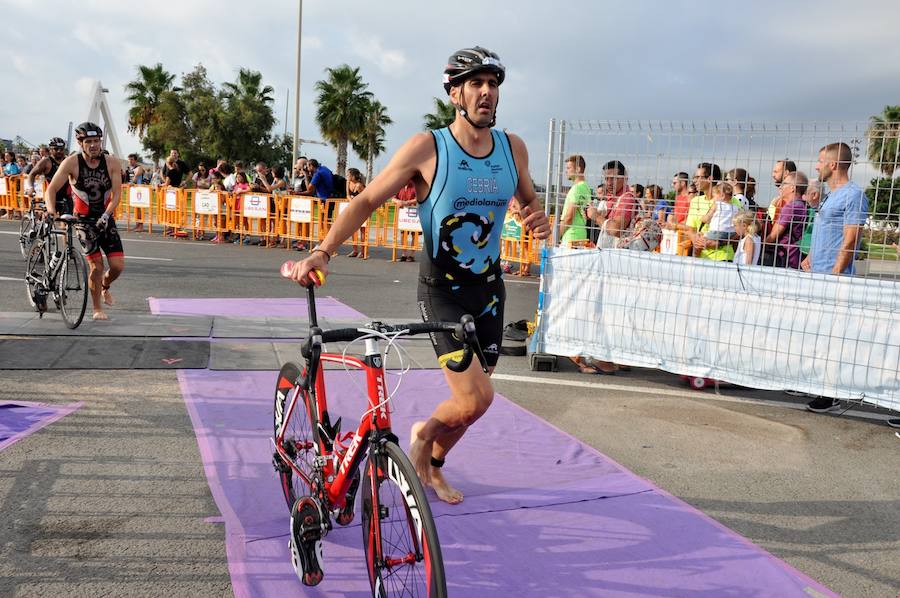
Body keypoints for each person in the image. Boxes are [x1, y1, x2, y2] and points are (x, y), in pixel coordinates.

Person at [288, 46, 551, 505]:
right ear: (455, 94)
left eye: (493, 83)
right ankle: (423, 439)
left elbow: (530, 200)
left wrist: (538, 217)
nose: (487, 92)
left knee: (473, 403)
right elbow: (367, 200)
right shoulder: (429, 147)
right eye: (476, 83)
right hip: (442, 289)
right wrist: (323, 251)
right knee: (474, 400)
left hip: (489, 291)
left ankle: (431, 460)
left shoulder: (514, 149)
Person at [803, 143, 869, 414]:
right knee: (819, 336)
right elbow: (827, 231)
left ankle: (830, 394)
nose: (816, 167)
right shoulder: (830, 195)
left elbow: (851, 239)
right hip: (818, 274)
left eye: (820, 162)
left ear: (833, 165)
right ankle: (822, 388)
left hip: (834, 279)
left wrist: (836, 274)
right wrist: (810, 256)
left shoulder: (853, 195)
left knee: (833, 338)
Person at [44, 122, 124, 321]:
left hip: (105, 218)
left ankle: (105, 286)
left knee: (117, 266)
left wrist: (106, 215)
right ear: (81, 143)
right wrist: (52, 211)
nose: (94, 145)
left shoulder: (112, 162)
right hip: (82, 221)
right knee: (96, 266)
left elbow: (116, 195)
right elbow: (51, 190)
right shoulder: (71, 163)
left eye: (96, 141)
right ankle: (97, 308)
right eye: (88, 141)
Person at [586, 160, 637, 247]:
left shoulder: (627, 199)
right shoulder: (612, 199)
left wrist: (596, 216)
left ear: (625, 178)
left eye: (613, 178)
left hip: (619, 255)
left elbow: (615, 230)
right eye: (606, 179)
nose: (609, 183)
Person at [762, 171, 808, 268]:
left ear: (793, 188)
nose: (780, 187)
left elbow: (774, 235)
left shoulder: (791, 207)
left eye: (784, 184)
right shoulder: (805, 206)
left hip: (786, 258)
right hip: (799, 256)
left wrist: (760, 245)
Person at [27, 137, 70, 214]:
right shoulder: (46, 161)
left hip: (66, 196)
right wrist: (31, 188)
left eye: (61, 149)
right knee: (49, 217)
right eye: (56, 149)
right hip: (51, 195)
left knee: (68, 220)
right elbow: (32, 174)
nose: (59, 151)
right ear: (50, 149)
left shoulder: (68, 161)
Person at [557, 154, 591, 246]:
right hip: (581, 233)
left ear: (578, 169)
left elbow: (569, 217)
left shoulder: (576, 189)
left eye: (568, 168)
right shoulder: (586, 187)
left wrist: (556, 236)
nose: (566, 171)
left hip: (571, 235)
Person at [345, 167, 366, 258]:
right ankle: (355, 250)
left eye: (348, 175)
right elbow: (347, 195)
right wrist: (351, 202)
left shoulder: (359, 185)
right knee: (353, 229)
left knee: (362, 230)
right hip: (353, 207)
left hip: (362, 208)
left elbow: (365, 197)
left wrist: (355, 202)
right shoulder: (348, 182)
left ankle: (363, 251)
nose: (347, 176)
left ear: (353, 176)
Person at [126, 153, 147, 231]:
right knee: (136, 208)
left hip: (140, 190)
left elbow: (137, 175)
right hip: (134, 190)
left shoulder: (139, 167)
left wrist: (132, 182)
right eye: (129, 160)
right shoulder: (129, 168)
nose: (130, 161)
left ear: (135, 160)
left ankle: (140, 226)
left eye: (132, 159)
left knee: (139, 207)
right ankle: (137, 224)